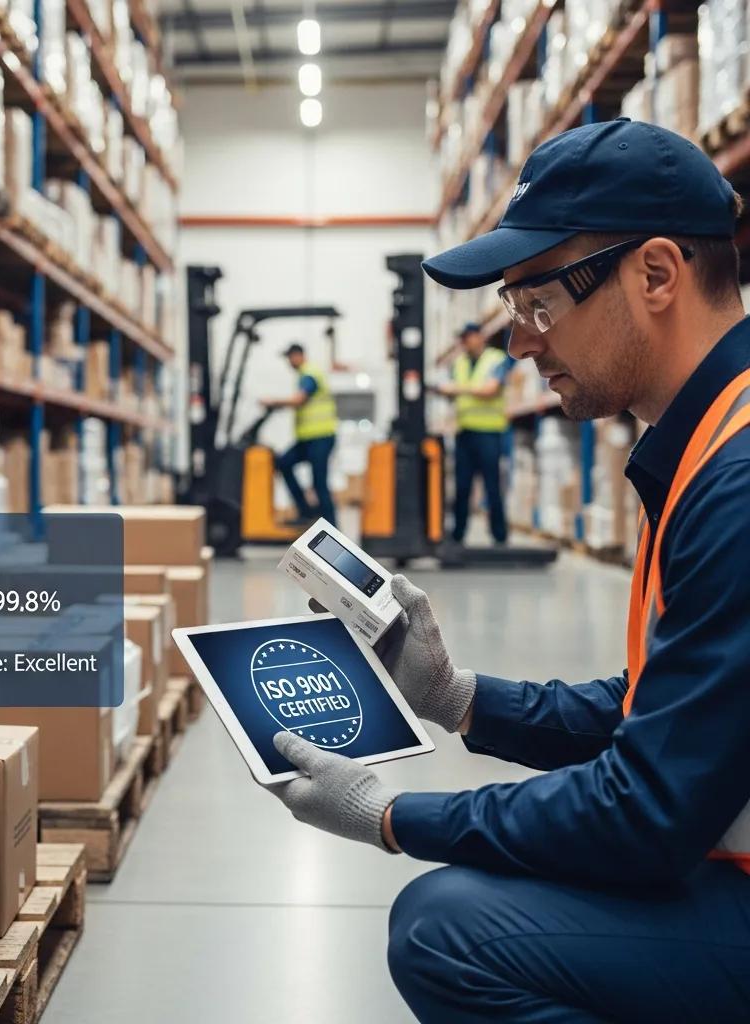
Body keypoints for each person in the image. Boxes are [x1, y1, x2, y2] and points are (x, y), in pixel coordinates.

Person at [270, 117, 750, 1022]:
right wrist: (460, 699)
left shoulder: (738, 479)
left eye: (539, 303)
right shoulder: (709, 442)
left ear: (656, 274)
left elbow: (644, 815)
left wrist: (391, 815)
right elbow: (664, 710)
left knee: (447, 930)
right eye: (513, 310)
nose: (522, 343)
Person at [433, 322, 511, 544]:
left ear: (480, 337)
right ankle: (458, 535)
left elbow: (490, 389)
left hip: (489, 433)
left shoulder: (496, 359)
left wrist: (456, 389)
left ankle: (499, 536)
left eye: (469, 337)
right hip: (464, 432)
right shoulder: (459, 363)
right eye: (463, 338)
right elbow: (451, 392)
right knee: (462, 486)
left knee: (492, 485)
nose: (466, 342)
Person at [262, 343, 338, 526]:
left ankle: (331, 527)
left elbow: (299, 400)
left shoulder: (309, 374)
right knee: (283, 463)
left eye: (290, 358)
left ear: (298, 356)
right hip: (308, 439)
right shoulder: (304, 375)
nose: (289, 362)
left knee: (319, 483)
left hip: (320, 437)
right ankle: (305, 511)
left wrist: (274, 402)